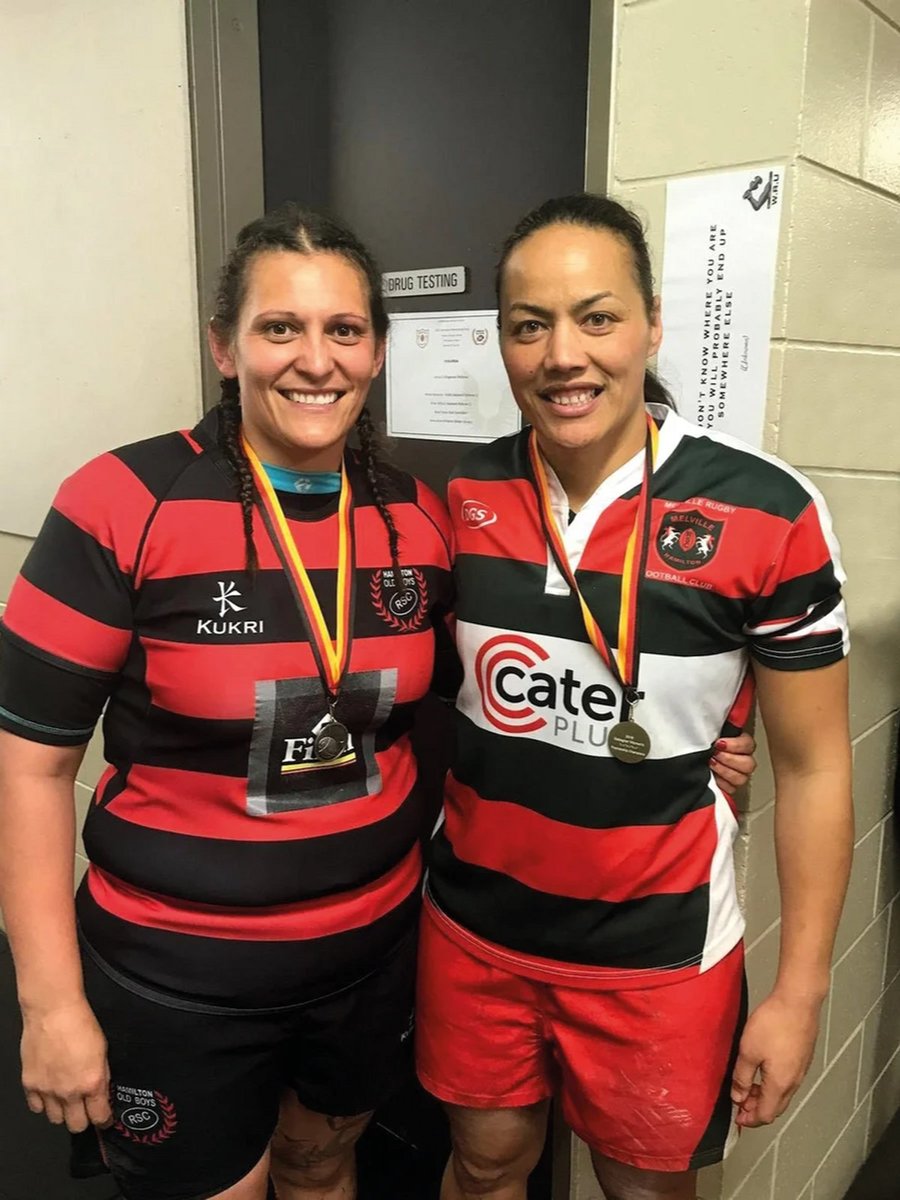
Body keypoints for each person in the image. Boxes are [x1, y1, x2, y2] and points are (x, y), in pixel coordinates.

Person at [0, 201, 754, 1200]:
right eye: (281, 329)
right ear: (225, 347)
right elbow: (30, 764)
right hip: (178, 978)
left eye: (344, 331)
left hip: (370, 958)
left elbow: (499, 693)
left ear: (377, 353)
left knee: (323, 1169)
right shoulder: (120, 503)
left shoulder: (416, 520)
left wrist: (676, 737)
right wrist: (49, 1003)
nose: (316, 360)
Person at [415, 194, 853, 1200]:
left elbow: (820, 764)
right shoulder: (458, 501)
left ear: (653, 323)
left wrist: (801, 989)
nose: (563, 354)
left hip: (662, 956)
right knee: (484, 1163)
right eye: (530, 326)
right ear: (503, 344)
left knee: (643, 1191)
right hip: (477, 934)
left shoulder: (767, 511)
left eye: (596, 317)